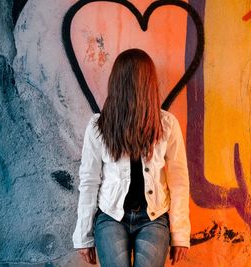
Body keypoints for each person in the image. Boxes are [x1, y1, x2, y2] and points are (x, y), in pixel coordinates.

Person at [72, 48, 190, 267]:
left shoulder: (166, 124)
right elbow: (89, 181)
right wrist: (83, 236)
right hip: (111, 216)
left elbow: (179, 181)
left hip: (154, 218)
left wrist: (180, 234)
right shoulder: (99, 126)